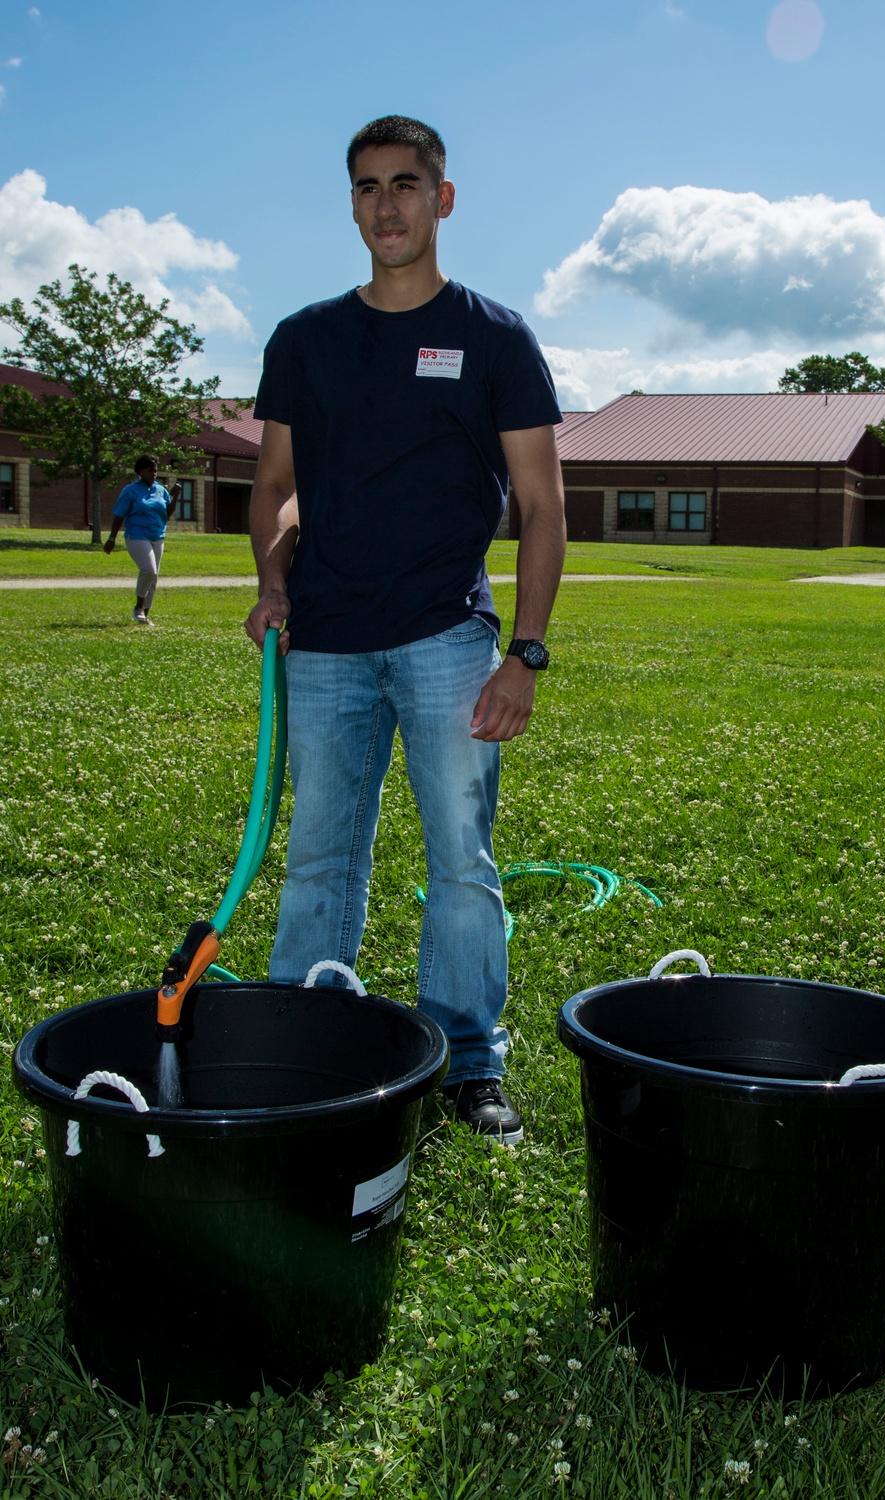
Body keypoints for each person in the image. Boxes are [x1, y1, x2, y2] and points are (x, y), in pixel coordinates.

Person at [244, 115, 566, 1144]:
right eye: (368, 187)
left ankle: (468, 1060)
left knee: (461, 863)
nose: (387, 205)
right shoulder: (305, 340)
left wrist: (523, 651)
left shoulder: (495, 338)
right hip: (327, 645)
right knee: (318, 860)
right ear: (351, 202)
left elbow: (542, 506)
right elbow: (277, 491)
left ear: (444, 197)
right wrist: (273, 573)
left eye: (407, 184)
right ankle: (304, 1047)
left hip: (446, 642)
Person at [104, 455, 180, 624]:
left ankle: (144, 615)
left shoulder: (161, 490)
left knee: (154, 578)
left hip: (157, 536)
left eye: (155, 470)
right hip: (137, 536)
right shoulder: (130, 491)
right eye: (150, 470)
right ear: (140, 471)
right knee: (149, 569)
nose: (154, 473)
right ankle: (138, 607)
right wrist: (111, 538)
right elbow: (118, 515)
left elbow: (166, 514)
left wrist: (175, 497)